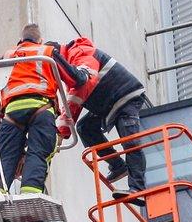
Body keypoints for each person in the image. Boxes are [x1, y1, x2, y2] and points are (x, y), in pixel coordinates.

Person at [0, 24, 89, 194]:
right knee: (38, 152)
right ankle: (31, 193)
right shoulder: (47, 52)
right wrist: (84, 73)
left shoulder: (7, 56)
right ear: (40, 40)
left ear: (21, 40)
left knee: (4, 156)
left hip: (12, 112)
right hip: (41, 109)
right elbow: (75, 79)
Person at [49, 38, 146, 205]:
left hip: (125, 96)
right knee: (85, 128)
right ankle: (117, 165)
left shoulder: (79, 53)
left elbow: (80, 90)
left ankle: (138, 189)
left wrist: (61, 132)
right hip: (109, 102)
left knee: (130, 141)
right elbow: (75, 98)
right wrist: (61, 130)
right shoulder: (71, 62)